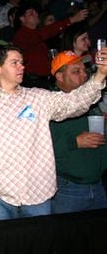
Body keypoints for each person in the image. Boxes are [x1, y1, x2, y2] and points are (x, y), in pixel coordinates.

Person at [0, 44, 107, 222]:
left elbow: (74, 101)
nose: (22, 66)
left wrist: (99, 75)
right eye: (14, 62)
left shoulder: (38, 98)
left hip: (38, 194)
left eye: (22, 62)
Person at [49, 50, 107, 214]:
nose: (83, 75)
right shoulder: (50, 104)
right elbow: (40, 148)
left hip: (97, 185)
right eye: (76, 71)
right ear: (59, 77)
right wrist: (74, 142)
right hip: (68, 189)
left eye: (84, 70)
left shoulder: (92, 102)